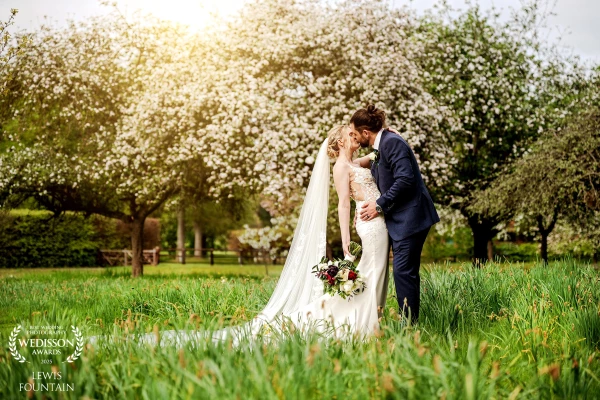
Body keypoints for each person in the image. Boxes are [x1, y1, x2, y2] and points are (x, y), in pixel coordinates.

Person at [349, 104, 440, 324]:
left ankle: (409, 325)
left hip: (411, 218)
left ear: (366, 132)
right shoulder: (382, 144)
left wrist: (378, 205)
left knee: (403, 272)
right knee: (403, 272)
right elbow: (367, 164)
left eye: (355, 133)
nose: (354, 138)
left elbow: (406, 180)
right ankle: (409, 322)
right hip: (402, 218)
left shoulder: (391, 143)